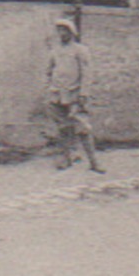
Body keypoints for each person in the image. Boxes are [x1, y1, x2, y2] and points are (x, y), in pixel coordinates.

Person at [46, 19, 104, 173]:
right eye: (59, 31)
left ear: (72, 33)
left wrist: (83, 93)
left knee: (83, 128)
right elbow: (49, 70)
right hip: (57, 94)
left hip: (75, 94)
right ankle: (67, 159)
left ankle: (94, 162)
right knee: (63, 128)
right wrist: (52, 87)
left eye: (65, 30)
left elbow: (87, 73)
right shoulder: (55, 50)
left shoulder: (81, 50)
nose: (61, 34)